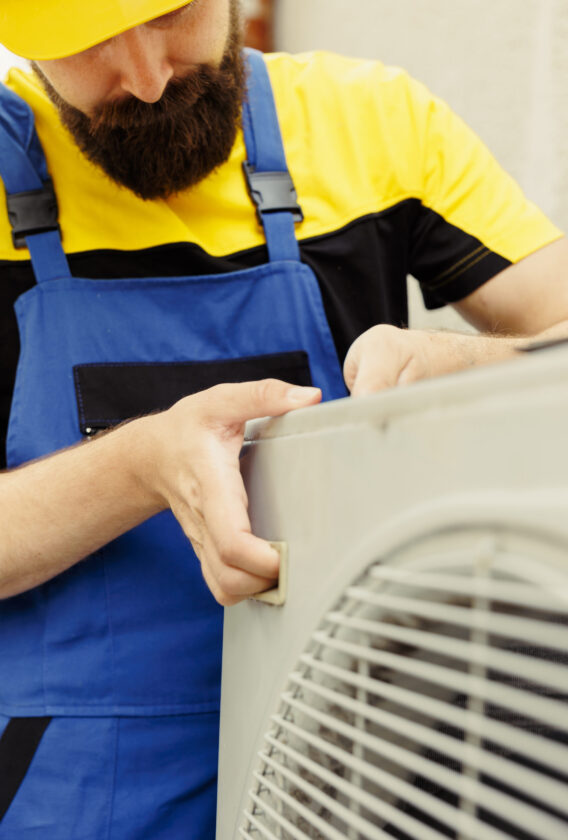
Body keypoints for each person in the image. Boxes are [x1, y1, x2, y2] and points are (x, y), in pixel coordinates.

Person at [0, 0, 566, 837]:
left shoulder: (375, 125)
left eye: (177, 15)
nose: (149, 79)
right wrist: (142, 464)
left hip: (365, 763)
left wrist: (479, 369)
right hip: (77, 791)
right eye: (86, 47)